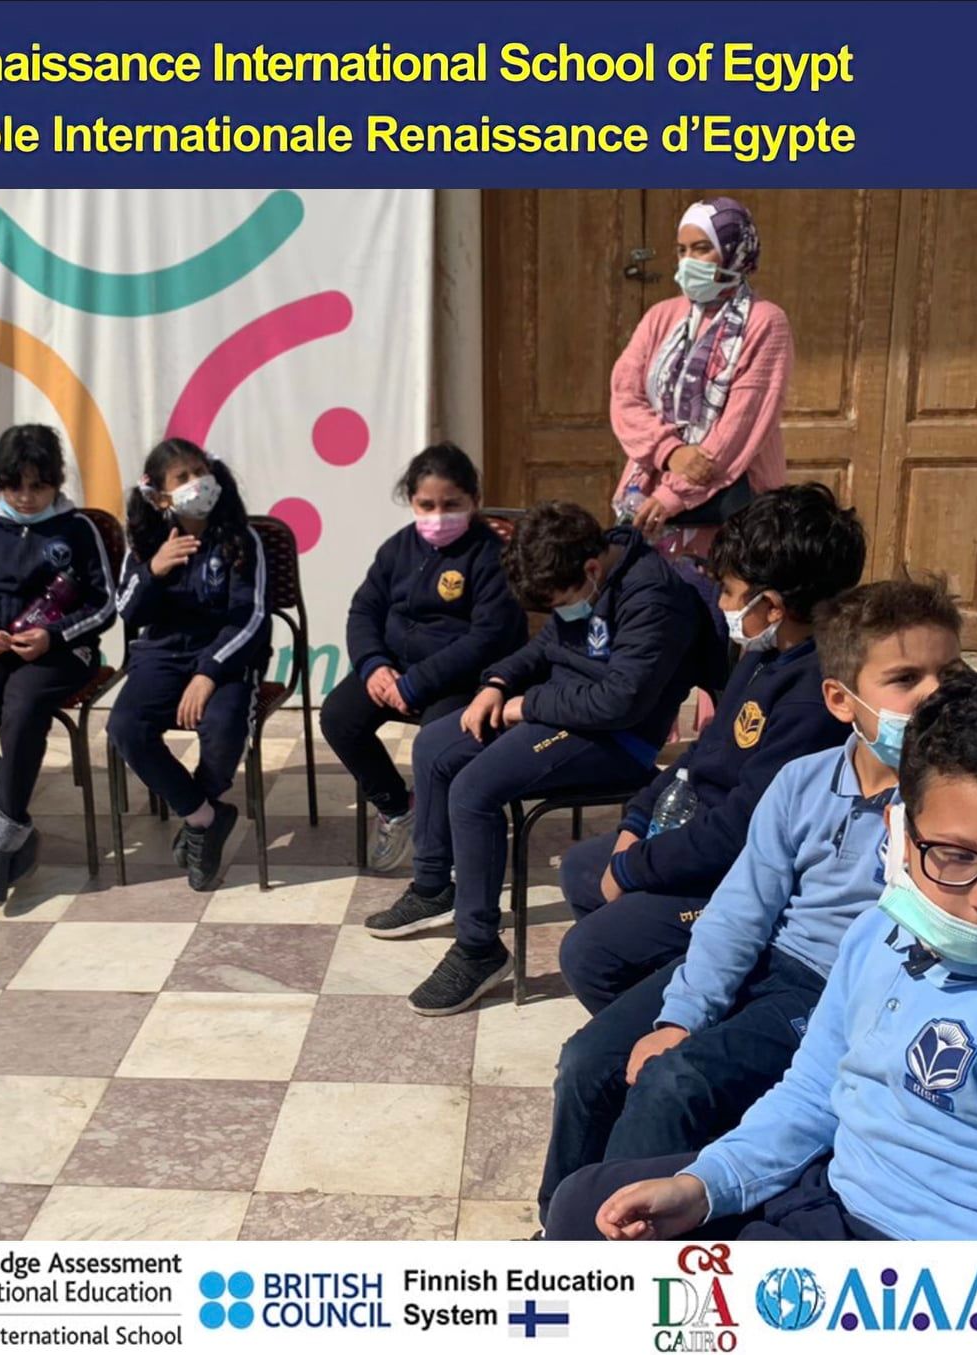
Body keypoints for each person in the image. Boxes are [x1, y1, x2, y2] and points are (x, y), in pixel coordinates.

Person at [546, 670, 977, 1243]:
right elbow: (812, 1093)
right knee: (582, 1205)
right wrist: (704, 1187)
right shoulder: (875, 937)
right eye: (953, 856)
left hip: (918, 1280)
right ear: (898, 837)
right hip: (826, 1198)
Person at [537, 580, 965, 1222]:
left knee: (675, 1083)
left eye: (948, 675)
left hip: (837, 991)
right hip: (771, 960)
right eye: (905, 679)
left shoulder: (954, 804)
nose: (933, 694)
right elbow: (742, 908)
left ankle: (631, 1246)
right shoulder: (803, 782)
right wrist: (682, 1015)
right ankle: (561, 1227)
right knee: (586, 1061)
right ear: (840, 699)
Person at [365, 502, 725, 1017]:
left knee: (473, 789)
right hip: (559, 713)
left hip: (616, 739)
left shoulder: (654, 597)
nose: (561, 611)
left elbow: (620, 702)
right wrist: (498, 683)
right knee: (434, 746)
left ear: (592, 568)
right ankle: (432, 886)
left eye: (560, 601)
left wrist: (526, 705)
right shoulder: (582, 579)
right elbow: (547, 647)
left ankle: (478, 948)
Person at [558, 483, 865, 1013]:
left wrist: (634, 868)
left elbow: (741, 831)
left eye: (727, 590)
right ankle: (663, 997)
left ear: (771, 606)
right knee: (583, 869)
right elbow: (701, 755)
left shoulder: (813, 699)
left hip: (737, 874)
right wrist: (637, 823)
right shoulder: (764, 655)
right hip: (696, 835)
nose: (722, 605)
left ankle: (681, 1032)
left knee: (590, 953)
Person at [321, 443, 527, 874]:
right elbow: (364, 610)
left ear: (474, 500)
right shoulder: (397, 548)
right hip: (393, 668)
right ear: (412, 502)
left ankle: (445, 840)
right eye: (426, 505)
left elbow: (488, 638)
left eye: (451, 505)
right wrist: (373, 665)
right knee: (339, 716)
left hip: (462, 679)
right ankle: (397, 807)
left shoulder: (491, 555)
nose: (438, 516)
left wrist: (416, 684)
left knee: (438, 742)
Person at [0, 424, 116, 906]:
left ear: (56, 481)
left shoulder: (79, 530)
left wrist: (53, 636)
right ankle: (2, 822)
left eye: (38, 486)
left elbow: (105, 605)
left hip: (64, 651)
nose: (26, 497)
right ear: (0, 483)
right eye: (14, 486)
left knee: (21, 708)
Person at [107, 438, 268, 893]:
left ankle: (201, 812)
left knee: (223, 726)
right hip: (161, 655)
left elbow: (252, 617)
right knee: (125, 726)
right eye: (183, 478)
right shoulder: (145, 541)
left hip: (228, 656)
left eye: (201, 472)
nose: (198, 483)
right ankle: (204, 817)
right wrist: (153, 572)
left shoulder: (240, 538)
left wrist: (208, 672)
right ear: (160, 496)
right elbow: (127, 610)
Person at [610, 197, 791, 557]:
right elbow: (625, 397)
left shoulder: (766, 322)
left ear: (734, 252)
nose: (688, 261)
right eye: (682, 250)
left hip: (728, 504)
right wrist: (668, 451)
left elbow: (741, 426)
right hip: (648, 499)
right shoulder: (661, 317)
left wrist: (674, 493)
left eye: (702, 248)